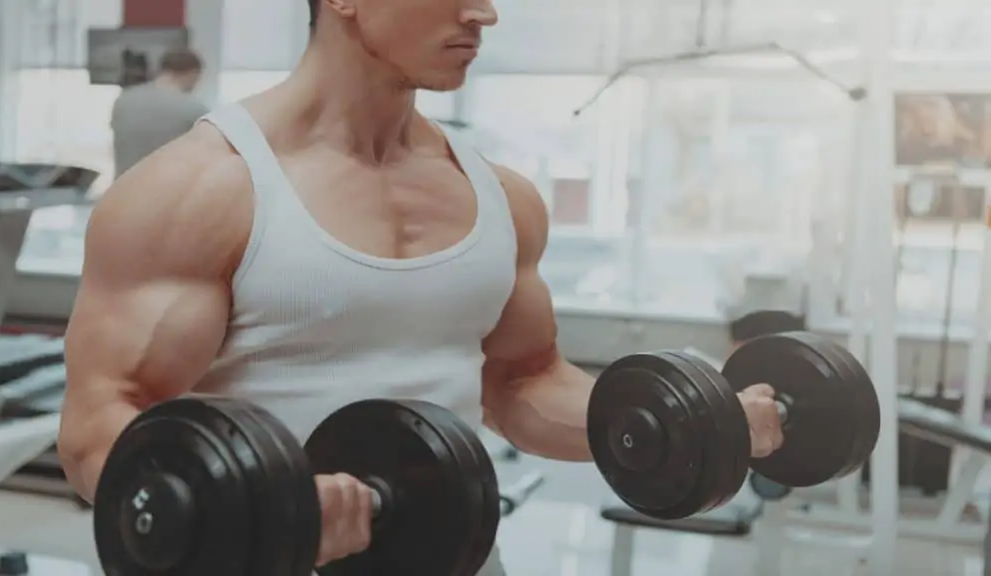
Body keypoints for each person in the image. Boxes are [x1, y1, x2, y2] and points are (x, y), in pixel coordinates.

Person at [58, 0, 785, 573]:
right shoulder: (196, 191)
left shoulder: (501, 197)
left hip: (455, 557)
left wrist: (693, 420)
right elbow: (98, 427)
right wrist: (262, 505)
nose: (485, 13)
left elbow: (521, 385)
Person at [110, 47, 209, 178]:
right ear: (192, 74)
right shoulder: (194, 109)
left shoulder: (123, 101)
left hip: (123, 190)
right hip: (168, 192)